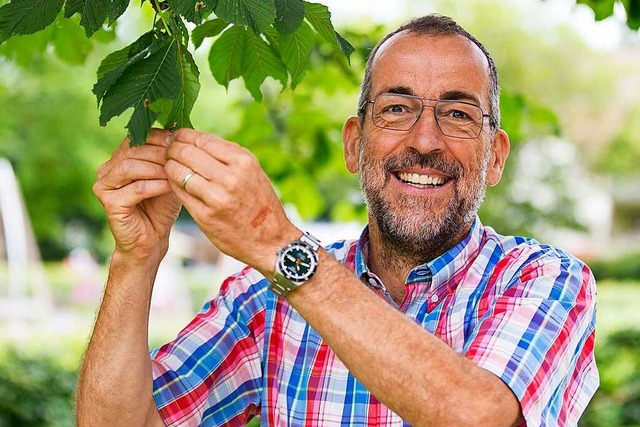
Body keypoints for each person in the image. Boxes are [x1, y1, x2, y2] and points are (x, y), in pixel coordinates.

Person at [76, 14, 598, 427]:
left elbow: (474, 416)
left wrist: (276, 243)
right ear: (354, 143)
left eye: (458, 115)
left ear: (496, 156)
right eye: (396, 109)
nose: (424, 140)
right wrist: (135, 260)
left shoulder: (548, 279)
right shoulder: (263, 302)